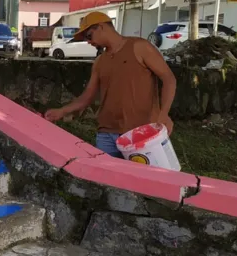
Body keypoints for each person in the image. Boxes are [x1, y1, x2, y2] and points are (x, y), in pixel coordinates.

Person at [44, 11, 176, 157]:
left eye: (89, 36)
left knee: (144, 177)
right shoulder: (100, 62)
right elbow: (87, 96)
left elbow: (169, 79)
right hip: (106, 134)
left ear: (101, 27)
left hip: (141, 133)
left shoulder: (139, 47)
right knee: (106, 179)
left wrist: (164, 114)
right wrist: (62, 111)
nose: (89, 42)